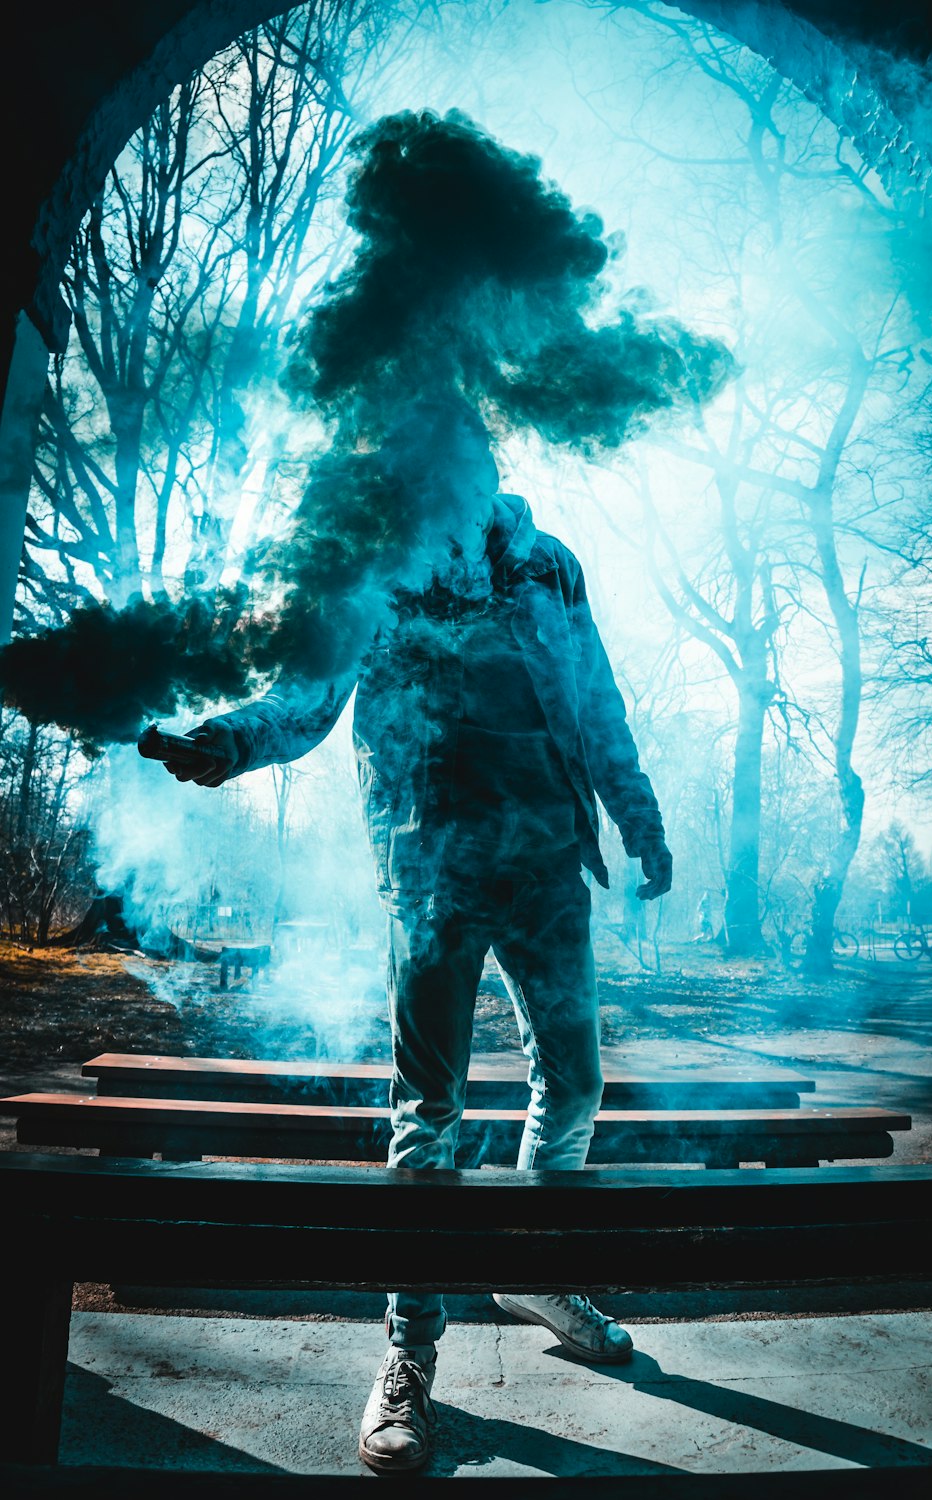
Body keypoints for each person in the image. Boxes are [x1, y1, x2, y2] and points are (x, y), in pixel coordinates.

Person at [162, 397, 673, 1476]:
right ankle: (406, 1354)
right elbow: (305, 701)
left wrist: (639, 814)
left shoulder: (548, 565)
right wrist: (225, 741)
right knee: (426, 1113)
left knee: (573, 1082)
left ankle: (535, 1266)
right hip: (429, 865)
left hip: (545, 862)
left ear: (486, 462)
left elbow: (596, 700)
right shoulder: (368, 571)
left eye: (465, 459)